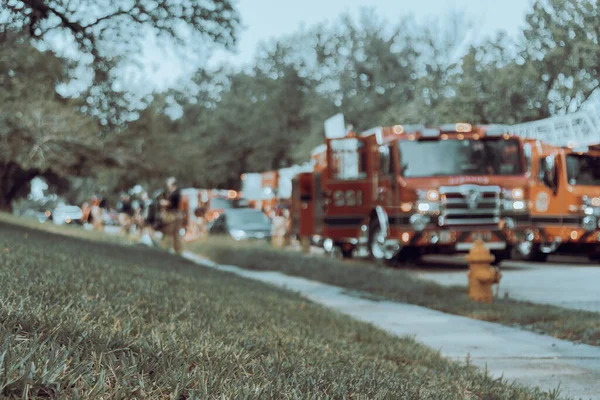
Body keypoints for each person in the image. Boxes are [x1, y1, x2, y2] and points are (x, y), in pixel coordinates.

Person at [159, 177, 184, 254]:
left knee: (173, 232)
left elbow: (169, 203)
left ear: (172, 184)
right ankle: (174, 249)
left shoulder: (175, 193)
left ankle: (176, 249)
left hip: (174, 214)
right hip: (175, 214)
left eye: (168, 184)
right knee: (173, 232)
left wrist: (162, 202)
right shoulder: (174, 192)